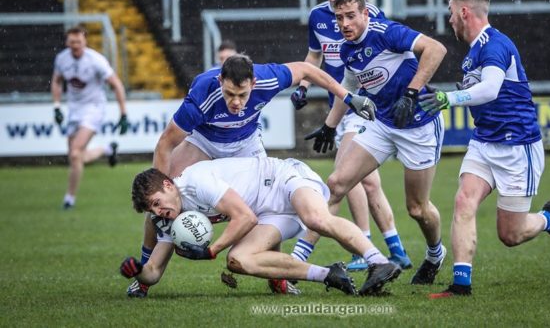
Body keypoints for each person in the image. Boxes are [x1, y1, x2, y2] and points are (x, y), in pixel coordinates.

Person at [127, 53, 375, 297]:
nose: (236, 102)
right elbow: (165, 144)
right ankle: (144, 278)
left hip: (246, 142)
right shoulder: (203, 93)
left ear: (253, 84)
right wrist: (159, 183)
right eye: (229, 94)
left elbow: (306, 69)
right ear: (220, 82)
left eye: (242, 95)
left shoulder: (267, 78)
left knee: (265, 206)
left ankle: (277, 278)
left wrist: (347, 96)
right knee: (160, 201)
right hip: (203, 142)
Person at [419, 0, 550, 298]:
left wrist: (451, 97)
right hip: (484, 143)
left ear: (464, 12)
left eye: (451, 14)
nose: (449, 20)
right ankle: (461, 285)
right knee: (464, 200)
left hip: (517, 146)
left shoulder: (495, 44)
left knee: (511, 234)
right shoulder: (473, 53)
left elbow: (490, 89)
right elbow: (485, 94)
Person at [305, 0, 449, 286]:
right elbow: (349, 82)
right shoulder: (346, 49)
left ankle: (435, 254)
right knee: (335, 184)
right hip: (382, 124)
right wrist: (331, 125)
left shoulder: (386, 31)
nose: (344, 23)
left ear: (365, 14)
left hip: (418, 125)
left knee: (417, 209)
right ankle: (300, 259)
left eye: (351, 16)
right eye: (339, 17)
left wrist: (411, 92)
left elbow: (436, 49)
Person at [119, 157, 401, 296]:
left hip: (283, 178)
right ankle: (330, 275)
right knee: (238, 260)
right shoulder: (168, 217)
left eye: (157, 202)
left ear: (168, 185)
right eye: (151, 209)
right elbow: (154, 272)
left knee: (316, 219)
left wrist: (211, 250)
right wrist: (138, 272)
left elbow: (245, 219)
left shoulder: (196, 182)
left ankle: (378, 261)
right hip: (268, 212)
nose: (158, 212)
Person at [290, 0, 411, 271]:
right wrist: (303, 85)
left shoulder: (367, 14)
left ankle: (309, 256)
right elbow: (314, 55)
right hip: (338, 106)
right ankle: (394, 249)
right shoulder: (317, 16)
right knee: (368, 183)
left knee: (341, 182)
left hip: (364, 105)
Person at [51, 26, 128, 209]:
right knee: (75, 157)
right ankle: (107, 150)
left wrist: (123, 113)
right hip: (74, 108)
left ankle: (69, 199)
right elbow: (56, 80)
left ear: (85, 41)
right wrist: (56, 106)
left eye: (78, 41)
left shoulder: (96, 61)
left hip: (94, 108)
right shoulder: (62, 59)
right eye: (72, 41)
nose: (75, 45)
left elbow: (116, 84)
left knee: (75, 153)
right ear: (67, 42)